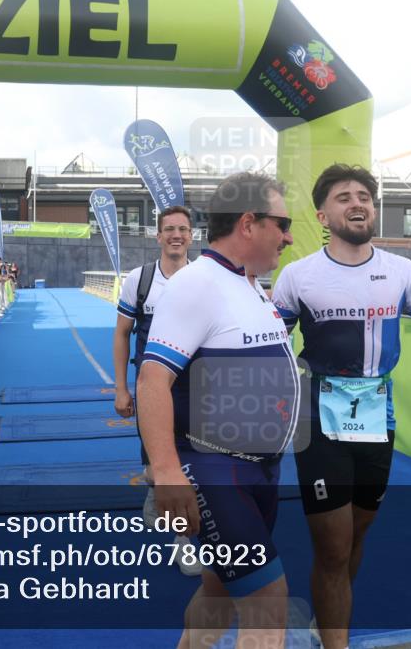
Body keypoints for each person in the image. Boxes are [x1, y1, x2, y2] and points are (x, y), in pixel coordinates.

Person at [272, 164, 411, 649]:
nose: (357, 202)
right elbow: (269, 343)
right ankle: (335, 642)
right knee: (334, 544)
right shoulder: (297, 276)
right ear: (323, 215)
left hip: (376, 418)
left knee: (355, 538)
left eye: (364, 195)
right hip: (318, 419)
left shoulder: (401, 270)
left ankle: (327, 621)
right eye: (343, 197)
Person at [137, 173, 297, 647]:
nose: (289, 236)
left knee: (219, 592)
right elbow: (152, 380)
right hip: (214, 468)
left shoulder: (247, 283)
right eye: (282, 223)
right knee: (269, 600)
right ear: (249, 224)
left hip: (258, 470)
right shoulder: (196, 284)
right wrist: (166, 471)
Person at [112, 205, 196, 576]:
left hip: (198, 388)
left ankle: (184, 543)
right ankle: (153, 484)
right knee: (155, 466)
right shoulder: (139, 280)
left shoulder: (205, 279)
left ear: (192, 235)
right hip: (152, 389)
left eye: (183, 229)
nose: (176, 235)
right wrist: (120, 389)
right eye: (169, 229)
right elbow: (122, 334)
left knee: (190, 465)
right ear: (158, 236)